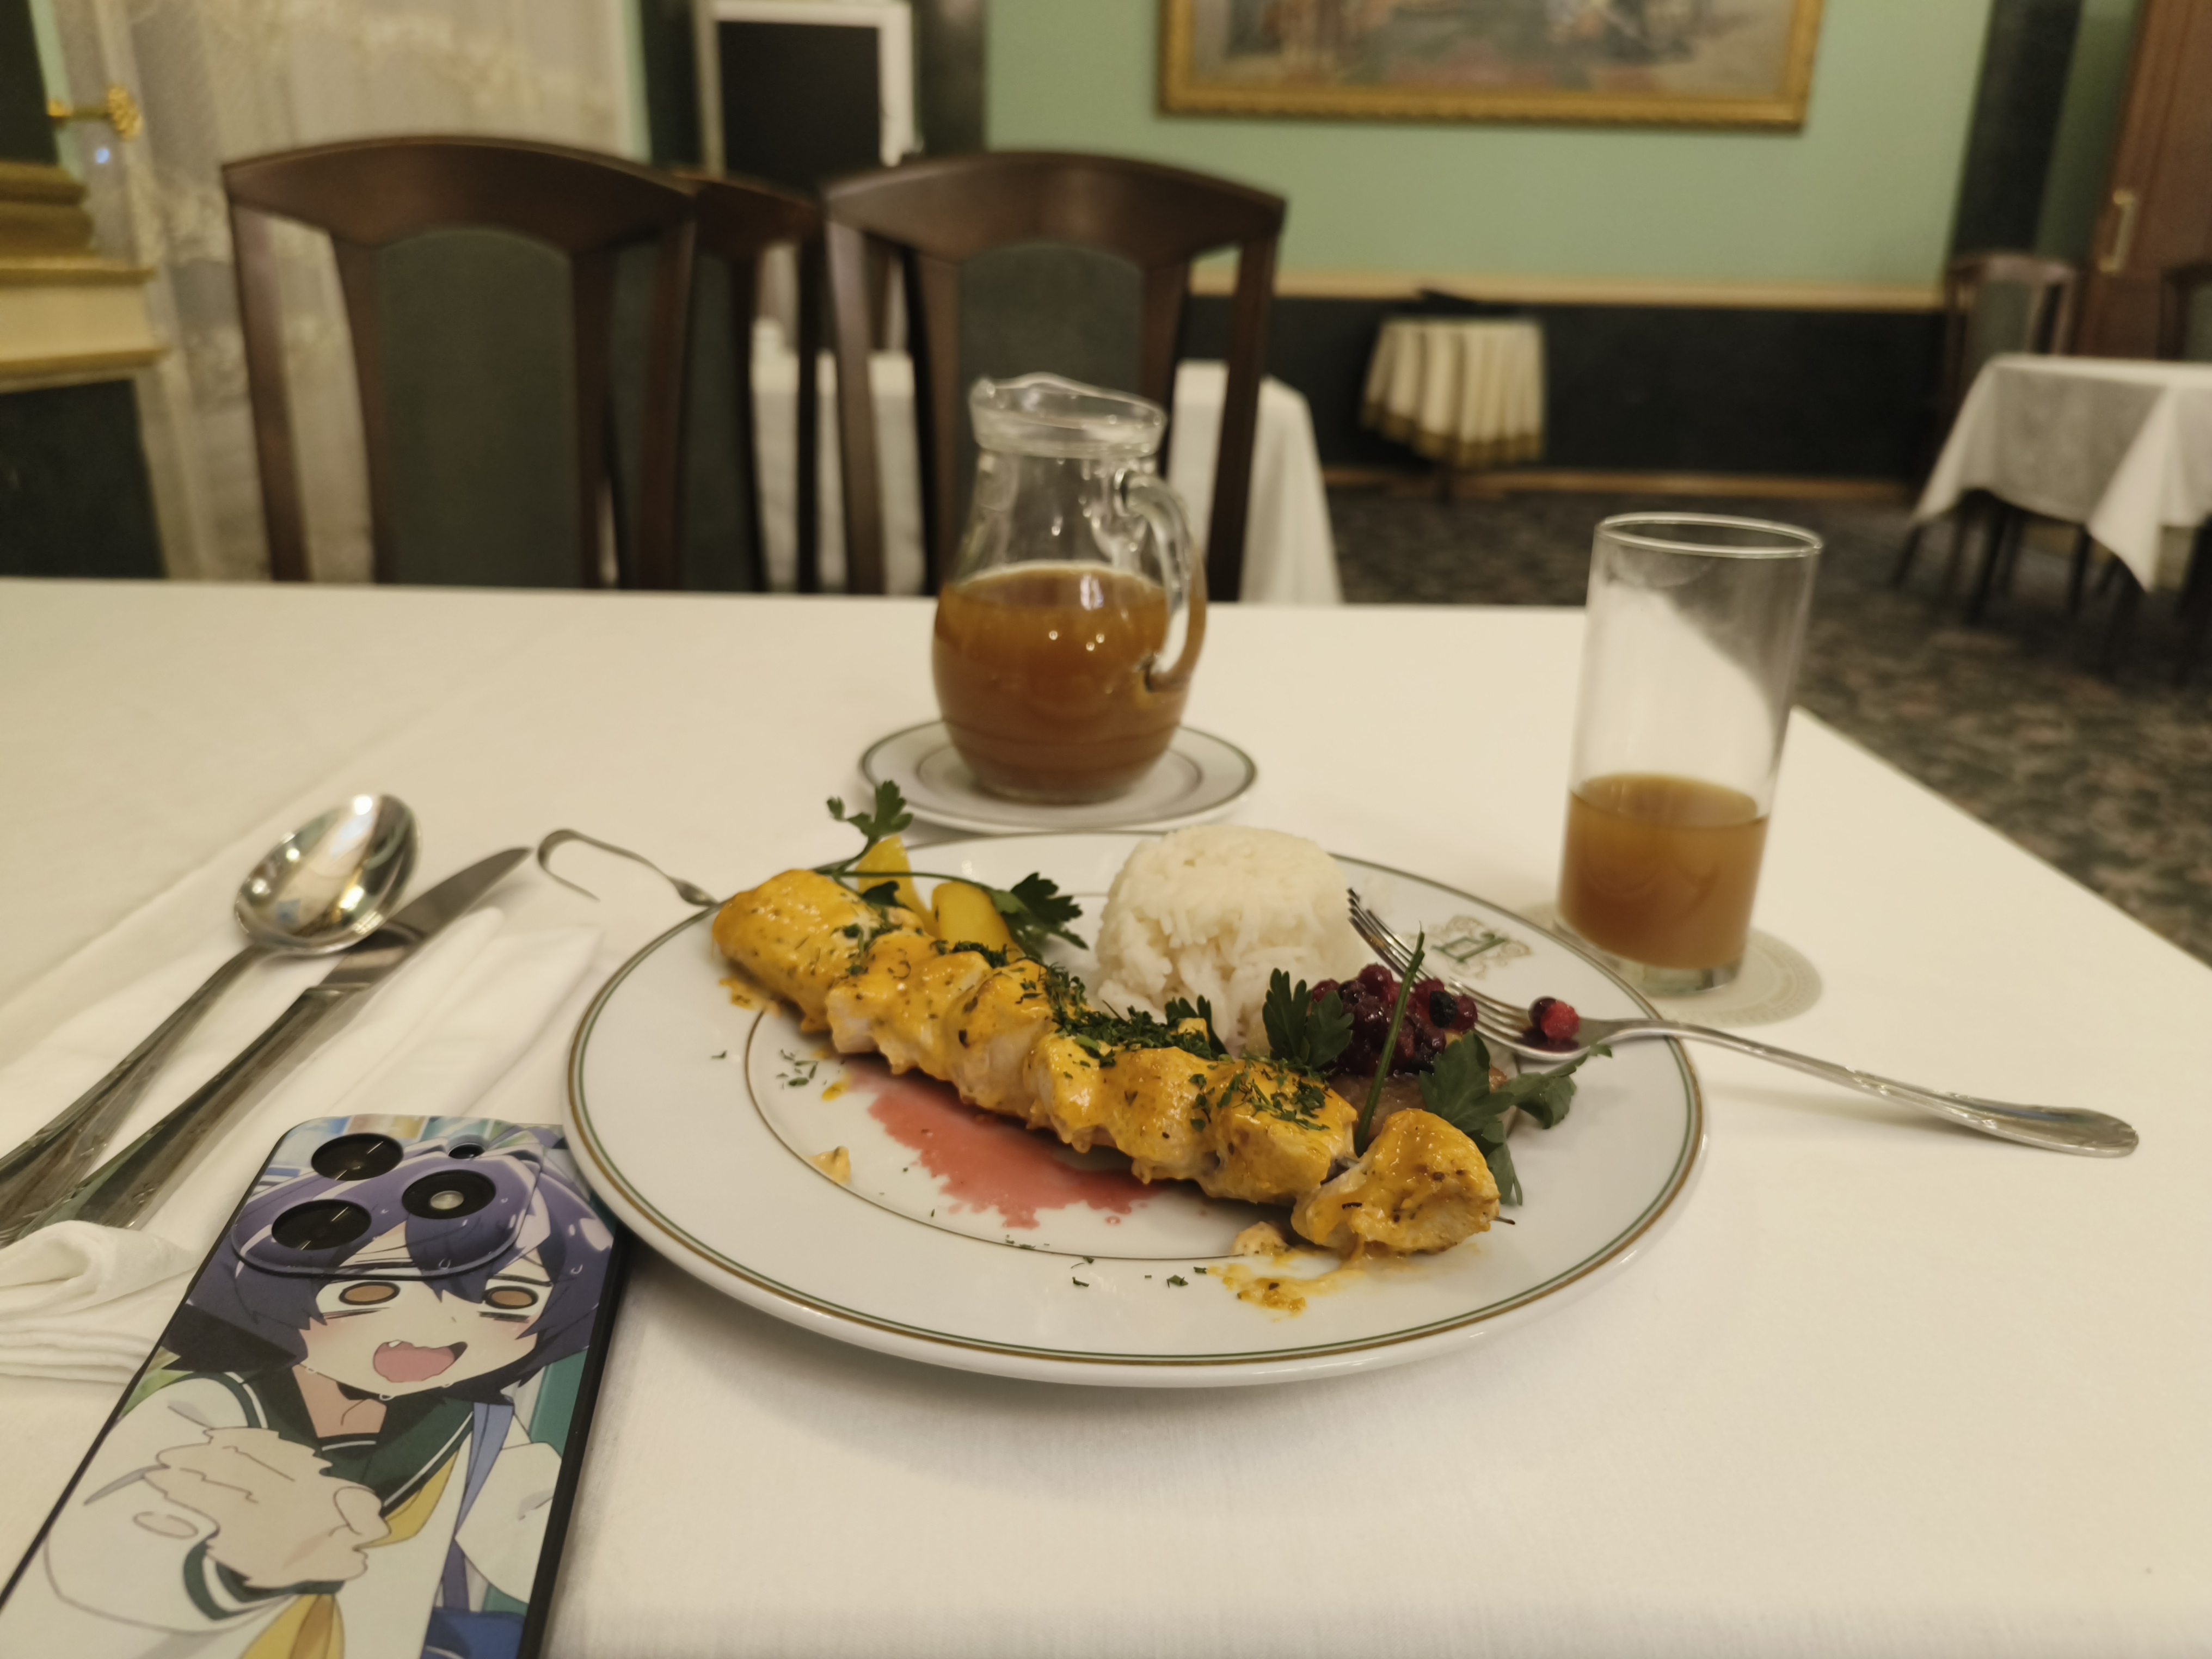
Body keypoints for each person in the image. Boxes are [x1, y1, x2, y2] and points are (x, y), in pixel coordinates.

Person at [0, 1121, 616, 1659]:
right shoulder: (203, 1405)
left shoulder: (482, 1431)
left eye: (509, 1300)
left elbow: (525, 1533)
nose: (442, 1328)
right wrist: (238, 1564)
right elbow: (95, 1554)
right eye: (371, 1290)